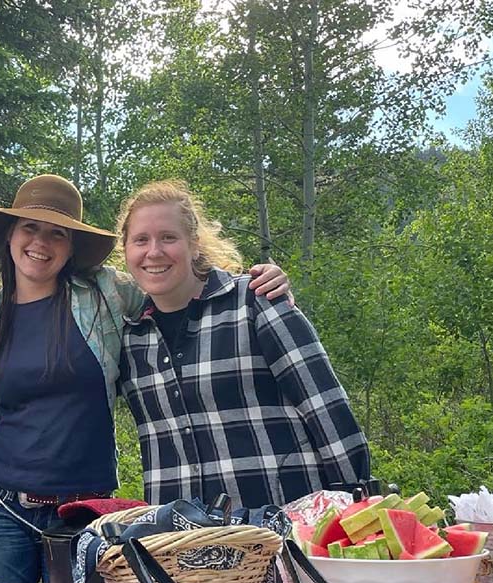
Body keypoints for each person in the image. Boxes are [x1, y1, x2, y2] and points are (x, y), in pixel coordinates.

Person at [0, 174, 291, 583]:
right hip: (0, 510)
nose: (41, 243)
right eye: (30, 228)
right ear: (10, 236)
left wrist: (254, 286)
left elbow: (173, 278)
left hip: (86, 511)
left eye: (57, 233)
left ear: (72, 247)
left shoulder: (105, 295)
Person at [116, 179, 370, 509]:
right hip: (183, 540)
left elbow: (326, 409)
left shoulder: (255, 302)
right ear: (126, 251)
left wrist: (357, 504)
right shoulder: (128, 337)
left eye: (168, 237)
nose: (154, 251)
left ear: (194, 244)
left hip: (282, 529)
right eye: (141, 240)